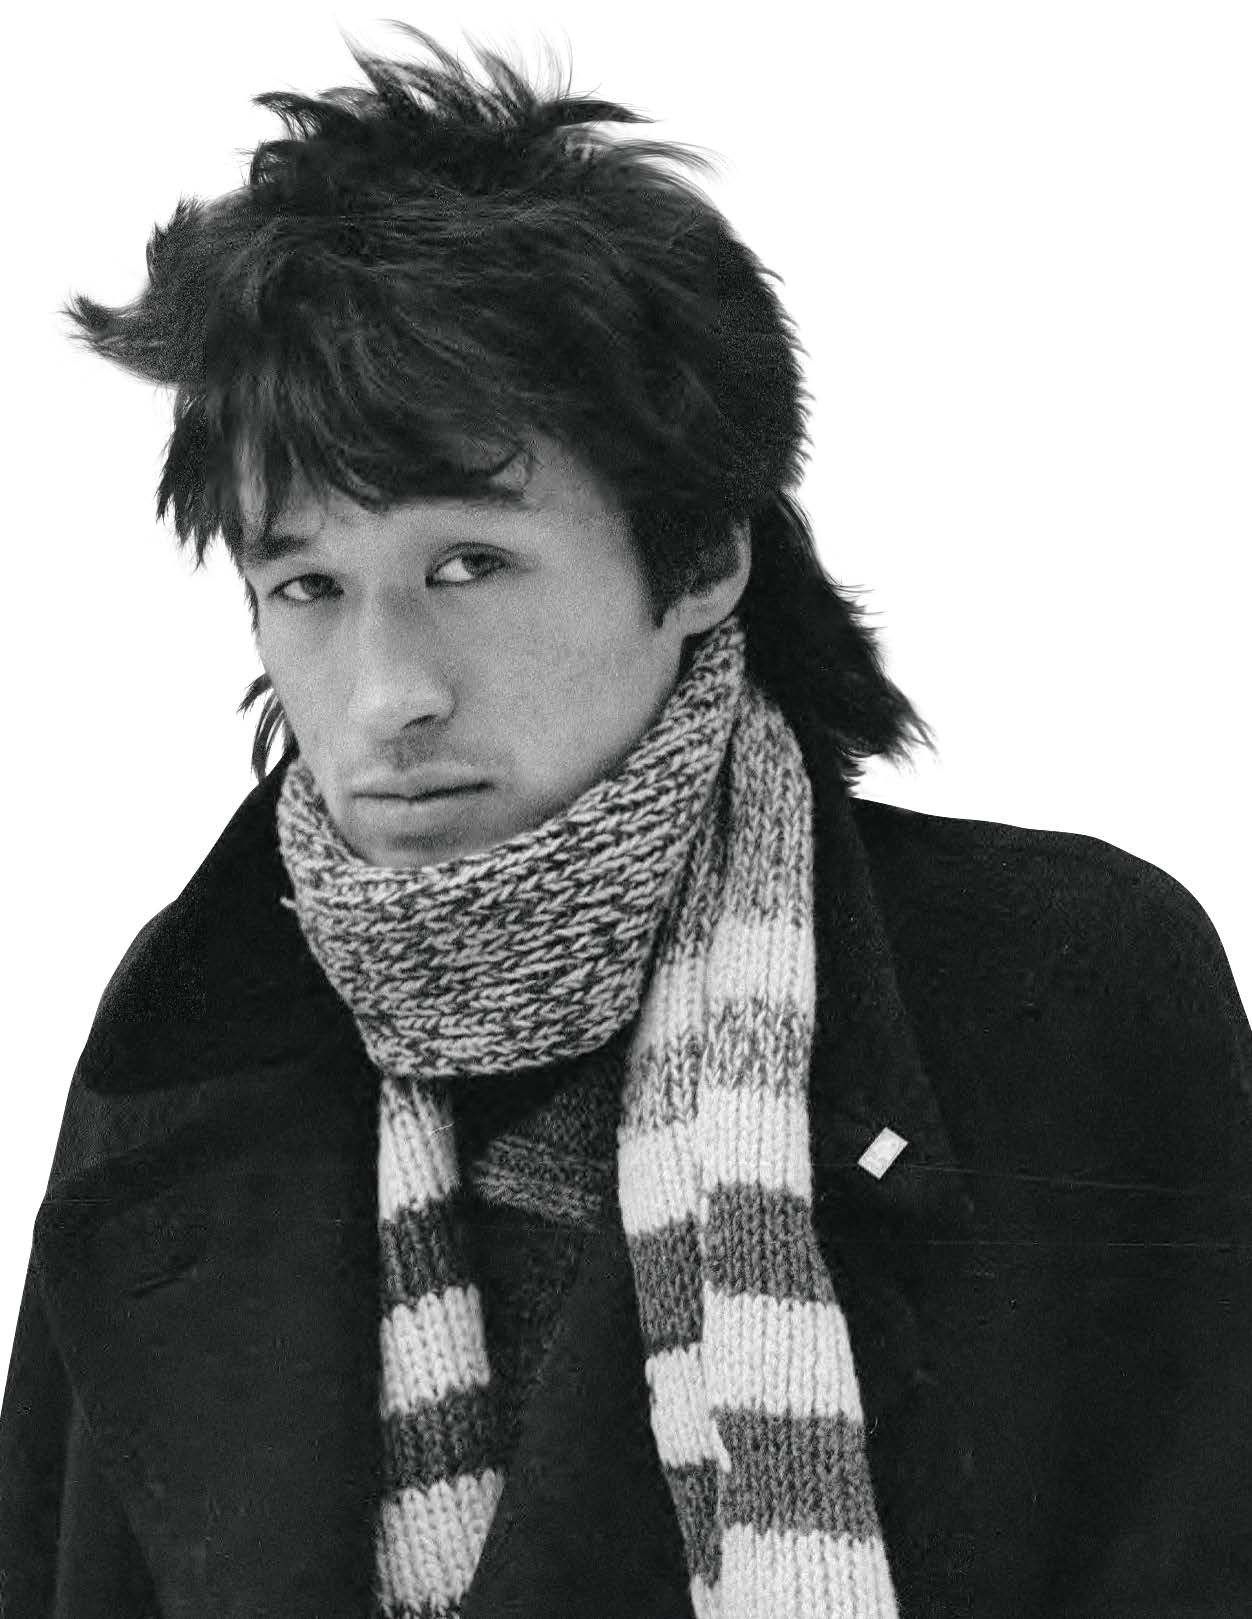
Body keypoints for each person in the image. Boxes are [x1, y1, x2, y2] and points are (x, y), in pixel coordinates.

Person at [1, 22, 1249, 1619]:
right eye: (306, 586)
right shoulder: (188, 1033)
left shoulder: (1059, 990)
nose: (387, 693)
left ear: (703, 557)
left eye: (470, 565)